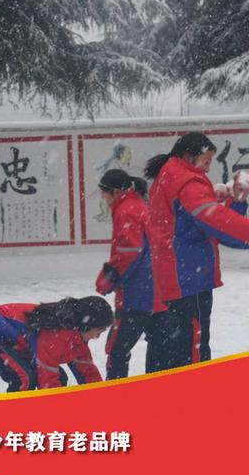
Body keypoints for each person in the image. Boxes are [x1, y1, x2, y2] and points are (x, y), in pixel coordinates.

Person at [144, 131, 249, 371]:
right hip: (188, 279)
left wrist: (237, 201)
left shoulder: (170, 174)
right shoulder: (186, 181)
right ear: (189, 155)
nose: (208, 167)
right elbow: (214, 220)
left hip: (174, 278)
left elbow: (204, 223)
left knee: (169, 350)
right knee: (192, 352)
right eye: (206, 160)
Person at [0, 296, 113, 391]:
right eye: (98, 332)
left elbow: (86, 370)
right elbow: (46, 376)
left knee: (60, 378)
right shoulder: (56, 334)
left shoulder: (76, 337)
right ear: (86, 325)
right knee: (23, 379)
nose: (97, 337)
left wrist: (100, 399)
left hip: (17, 341)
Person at [95, 169, 157, 379]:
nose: (104, 200)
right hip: (154, 291)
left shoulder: (126, 210)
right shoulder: (138, 204)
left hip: (136, 295)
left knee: (116, 350)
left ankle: (115, 393)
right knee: (158, 348)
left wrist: (107, 279)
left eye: (104, 195)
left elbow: (129, 252)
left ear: (115, 192)